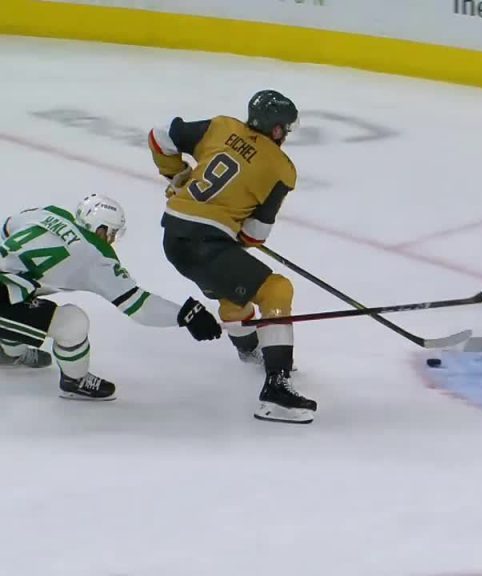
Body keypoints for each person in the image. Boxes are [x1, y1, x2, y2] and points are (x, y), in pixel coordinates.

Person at [147, 89, 317, 424]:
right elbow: (255, 235)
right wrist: (230, 224)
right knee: (275, 290)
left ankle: (250, 348)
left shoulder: (222, 127)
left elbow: (160, 136)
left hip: (174, 238)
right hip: (207, 244)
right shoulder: (282, 169)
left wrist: (176, 175)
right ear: (279, 130)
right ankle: (276, 390)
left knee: (234, 290)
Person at [0, 194, 222, 399]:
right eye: (112, 232)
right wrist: (186, 315)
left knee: (22, 299)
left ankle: (10, 351)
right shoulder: (95, 257)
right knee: (72, 323)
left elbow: (6, 230)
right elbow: (140, 307)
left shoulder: (48, 213)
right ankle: (74, 380)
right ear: (101, 228)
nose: (111, 239)